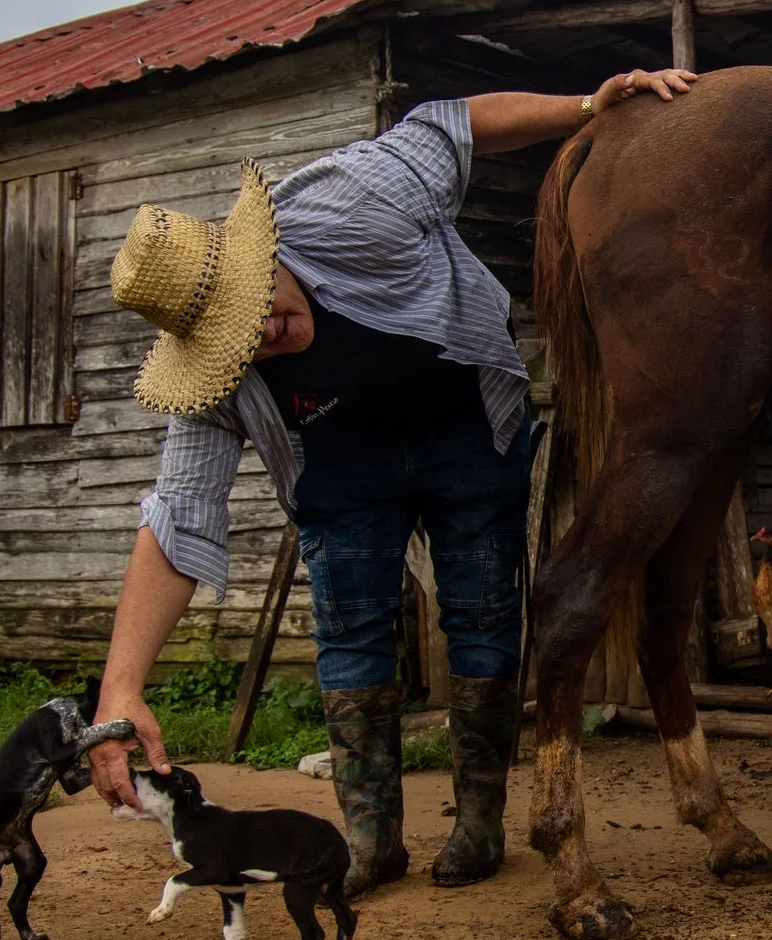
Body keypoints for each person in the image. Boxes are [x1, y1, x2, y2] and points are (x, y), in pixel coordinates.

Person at [88, 66, 696, 896]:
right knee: (349, 631)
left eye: (253, 305)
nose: (261, 335)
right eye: (235, 340)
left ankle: (479, 822)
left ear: (261, 252)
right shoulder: (211, 386)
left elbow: (458, 122)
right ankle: (370, 840)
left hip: (466, 430)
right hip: (341, 473)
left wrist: (588, 105)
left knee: (482, 613)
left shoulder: (351, 198)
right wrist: (120, 690)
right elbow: (178, 521)